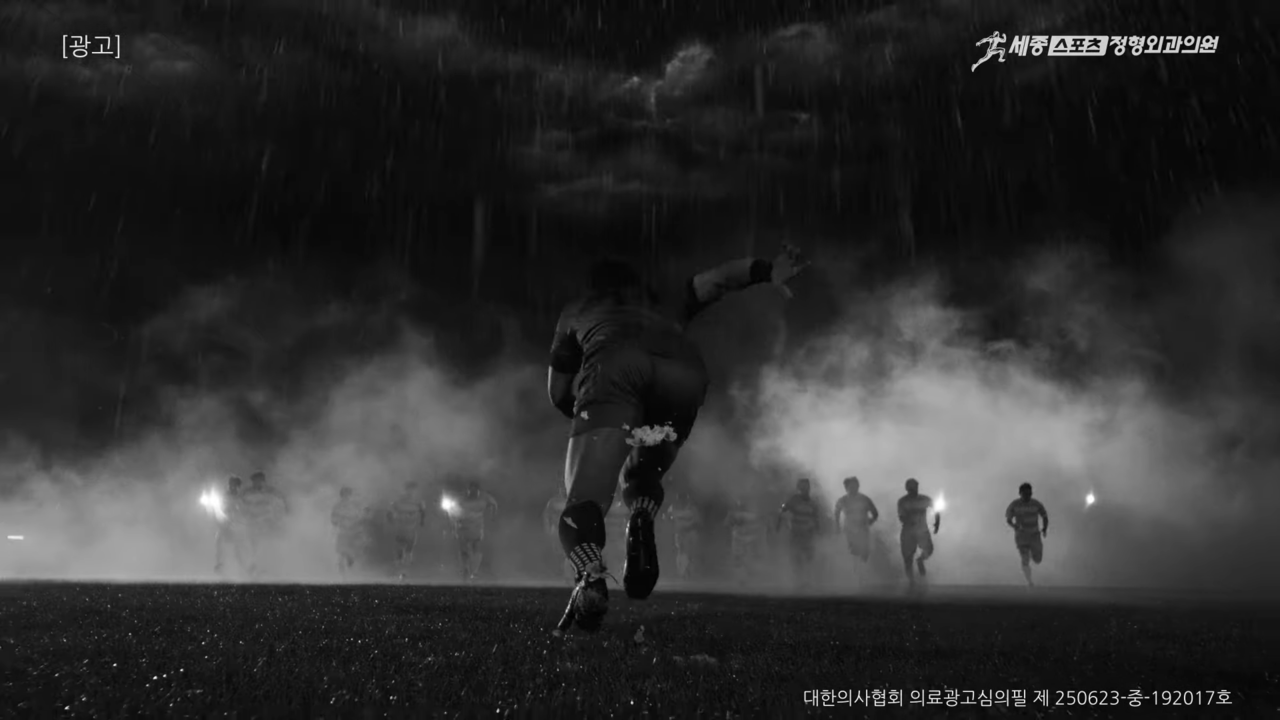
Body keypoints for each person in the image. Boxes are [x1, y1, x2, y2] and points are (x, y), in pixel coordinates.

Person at [548, 245, 809, 634]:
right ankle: (642, 514)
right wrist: (767, 270)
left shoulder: (577, 309)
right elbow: (718, 280)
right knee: (642, 474)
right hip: (684, 377)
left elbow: (557, 392)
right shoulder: (665, 302)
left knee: (583, 501)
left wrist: (593, 415)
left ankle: (590, 579)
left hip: (615, 371)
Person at [239, 471, 289, 577]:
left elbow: (282, 502)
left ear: (263, 481)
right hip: (252, 524)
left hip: (267, 523)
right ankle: (253, 568)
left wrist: (282, 515)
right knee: (252, 546)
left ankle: (270, 567)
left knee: (269, 545)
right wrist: (244, 516)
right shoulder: (247, 493)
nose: (257, 483)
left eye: (259, 481)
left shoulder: (271, 492)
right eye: (255, 481)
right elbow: (240, 506)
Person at [777, 478, 823, 588]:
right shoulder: (793, 500)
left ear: (809, 488)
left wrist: (818, 530)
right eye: (802, 487)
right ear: (798, 488)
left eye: (806, 487)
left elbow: (816, 518)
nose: (804, 489)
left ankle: (807, 581)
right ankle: (798, 580)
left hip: (808, 534)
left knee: (809, 558)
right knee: (796, 558)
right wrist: (779, 523)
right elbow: (783, 509)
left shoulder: (813, 503)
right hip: (796, 533)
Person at [449, 480, 498, 582]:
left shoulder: (484, 497)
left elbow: (494, 504)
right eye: (470, 489)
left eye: (475, 490)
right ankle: (465, 569)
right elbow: (451, 509)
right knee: (463, 549)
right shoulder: (461, 498)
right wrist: (454, 521)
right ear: (468, 489)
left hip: (477, 526)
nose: (472, 492)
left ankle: (473, 571)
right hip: (463, 526)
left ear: (478, 490)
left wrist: (493, 516)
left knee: (476, 547)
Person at [897, 478, 940, 590]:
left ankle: (920, 560)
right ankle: (911, 582)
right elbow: (901, 517)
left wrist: (937, 523)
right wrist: (910, 522)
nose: (913, 489)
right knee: (908, 558)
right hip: (908, 532)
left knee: (929, 550)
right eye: (911, 487)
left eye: (915, 487)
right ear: (907, 488)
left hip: (922, 531)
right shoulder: (903, 501)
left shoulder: (924, 499)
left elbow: (936, 509)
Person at [1005, 483, 1049, 587]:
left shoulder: (1036, 504)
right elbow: (1008, 519)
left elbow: (1044, 516)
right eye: (1025, 494)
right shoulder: (1015, 504)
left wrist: (1045, 528)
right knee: (1024, 559)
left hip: (1034, 535)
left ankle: (1031, 553)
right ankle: (1029, 581)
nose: (1027, 496)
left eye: (1029, 494)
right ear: (1020, 493)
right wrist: (1014, 526)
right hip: (1022, 536)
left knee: (1038, 560)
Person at [833, 477, 879, 567]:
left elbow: (875, 513)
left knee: (864, 553)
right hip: (849, 530)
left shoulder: (864, 499)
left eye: (855, 486)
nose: (853, 489)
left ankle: (864, 570)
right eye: (851, 487)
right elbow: (836, 513)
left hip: (863, 530)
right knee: (853, 552)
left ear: (858, 486)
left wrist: (871, 521)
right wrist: (837, 526)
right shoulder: (843, 500)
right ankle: (854, 571)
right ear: (846, 488)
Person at [386, 481, 427, 581]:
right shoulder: (399, 501)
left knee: (409, 550)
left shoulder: (418, 502)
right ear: (405, 490)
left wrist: (422, 521)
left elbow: (423, 512)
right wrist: (391, 520)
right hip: (400, 528)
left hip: (411, 529)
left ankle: (405, 573)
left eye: (413, 490)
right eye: (409, 489)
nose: (411, 492)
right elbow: (389, 511)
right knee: (399, 550)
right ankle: (399, 571)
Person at [725, 497, 765, 585]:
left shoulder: (748, 516)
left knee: (741, 559)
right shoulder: (750, 516)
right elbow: (728, 524)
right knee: (741, 559)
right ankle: (743, 578)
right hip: (742, 539)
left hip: (745, 539)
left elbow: (727, 524)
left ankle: (744, 577)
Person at [213, 475, 247, 576]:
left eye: (235, 485)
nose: (232, 486)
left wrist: (237, 518)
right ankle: (220, 564)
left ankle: (243, 566)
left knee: (238, 547)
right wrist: (224, 518)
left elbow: (243, 511)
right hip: (225, 523)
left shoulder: (241, 498)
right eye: (231, 484)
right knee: (219, 540)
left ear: (238, 486)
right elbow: (219, 509)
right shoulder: (223, 496)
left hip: (237, 524)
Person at [330, 487, 368, 578]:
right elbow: (333, 520)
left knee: (351, 555)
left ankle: (352, 572)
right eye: (344, 494)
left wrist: (357, 521)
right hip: (343, 532)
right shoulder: (337, 506)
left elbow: (360, 517)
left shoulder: (354, 506)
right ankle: (342, 576)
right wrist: (340, 521)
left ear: (350, 495)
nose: (346, 497)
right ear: (341, 495)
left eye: (348, 494)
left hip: (354, 532)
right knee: (341, 554)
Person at [665, 491, 702, 580]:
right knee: (681, 552)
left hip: (690, 533)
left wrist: (687, 524)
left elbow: (697, 521)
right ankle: (682, 573)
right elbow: (667, 517)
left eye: (683, 498)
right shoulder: (673, 507)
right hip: (680, 533)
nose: (682, 501)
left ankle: (690, 573)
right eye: (680, 498)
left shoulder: (692, 508)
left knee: (690, 553)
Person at [543, 487, 575, 582]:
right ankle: (559, 574)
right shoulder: (554, 502)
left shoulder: (575, 502)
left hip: (568, 533)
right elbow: (547, 517)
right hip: (557, 531)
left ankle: (568, 576)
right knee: (558, 553)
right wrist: (548, 529)